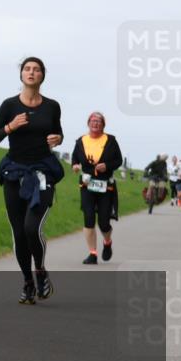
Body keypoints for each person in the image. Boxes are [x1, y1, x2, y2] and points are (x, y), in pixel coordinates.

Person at [0, 57, 64, 305]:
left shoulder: (52, 106)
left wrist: (58, 139)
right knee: (19, 234)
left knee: (32, 228)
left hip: (42, 172)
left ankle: (40, 271)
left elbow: (57, 132)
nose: (31, 73)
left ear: (42, 76)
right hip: (14, 173)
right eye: (27, 69)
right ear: (21, 75)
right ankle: (28, 282)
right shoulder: (9, 105)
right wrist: (10, 127)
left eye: (36, 69)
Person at [71, 112, 123, 264]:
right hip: (87, 184)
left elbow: (118, 160)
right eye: (93, 121)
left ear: (103, 125)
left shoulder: (111, 141)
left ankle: (107, 242)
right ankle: (92, 253)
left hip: (105, 185)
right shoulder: (81, 141)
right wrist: (75, 165)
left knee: (104, 221)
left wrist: (106, 165)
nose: (96, 123)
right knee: (88, 218)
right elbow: (75, 158)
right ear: (88, 123)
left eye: (99, 121)